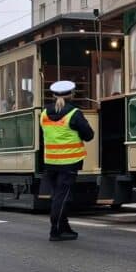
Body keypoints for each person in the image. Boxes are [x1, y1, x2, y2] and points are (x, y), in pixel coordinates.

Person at [40, 80, 95, 242]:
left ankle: (65, 228)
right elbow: (89, 135)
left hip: (50, 162)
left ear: (53, 95)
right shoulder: (74, 113)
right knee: (63, 197)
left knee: (57, 195)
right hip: (68, 162)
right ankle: (55, 230)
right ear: (72, 95)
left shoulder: (44, 113)